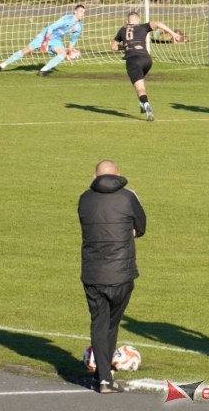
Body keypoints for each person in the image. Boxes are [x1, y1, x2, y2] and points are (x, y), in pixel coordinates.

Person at [78, 159, 147, 394]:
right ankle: (105, 377)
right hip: (121, 273)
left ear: (93, 175)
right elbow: (142, 227)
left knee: (99, 323)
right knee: (111, 325)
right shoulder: (128, 197)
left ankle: (102, 377)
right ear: (118, 175)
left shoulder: (85, 199)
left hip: (93, 273)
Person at [111, 11, 182, 121]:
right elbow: (158, 23)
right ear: (139, 20)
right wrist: (173, 34)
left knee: (140, 88)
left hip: (133, 61)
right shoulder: (143, 27)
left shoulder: (122, 29)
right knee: (140, 81)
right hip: (146, 60)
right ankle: (142, 103)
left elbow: (114, 47)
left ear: (127, 21)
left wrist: (125, 47)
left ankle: (146, 105)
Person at [0, 4, 85, 76]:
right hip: (45, 35)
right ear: (75, 11)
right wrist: (46, 40)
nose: (82, 14)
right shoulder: (66, 19)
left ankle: (43, 71)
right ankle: (2, 65)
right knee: (26, 51)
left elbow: (73, 39)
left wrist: (69, 51)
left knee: (62, 54)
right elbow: (52, 27)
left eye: (83, 12)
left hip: (56, 40)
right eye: (80, 11)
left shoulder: (79, 27)